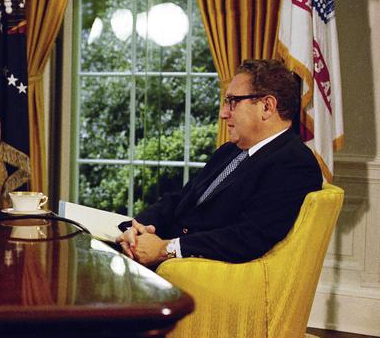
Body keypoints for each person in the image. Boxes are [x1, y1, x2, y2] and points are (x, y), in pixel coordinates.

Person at [116, 59, 322, 265]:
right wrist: (136, 228)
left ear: (267, 107)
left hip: (198, 273)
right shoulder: (230, 150)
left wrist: (164, 249)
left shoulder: (294, 164)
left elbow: (247, 238)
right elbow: (180, 199)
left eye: (233, 101)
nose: (223, 113)